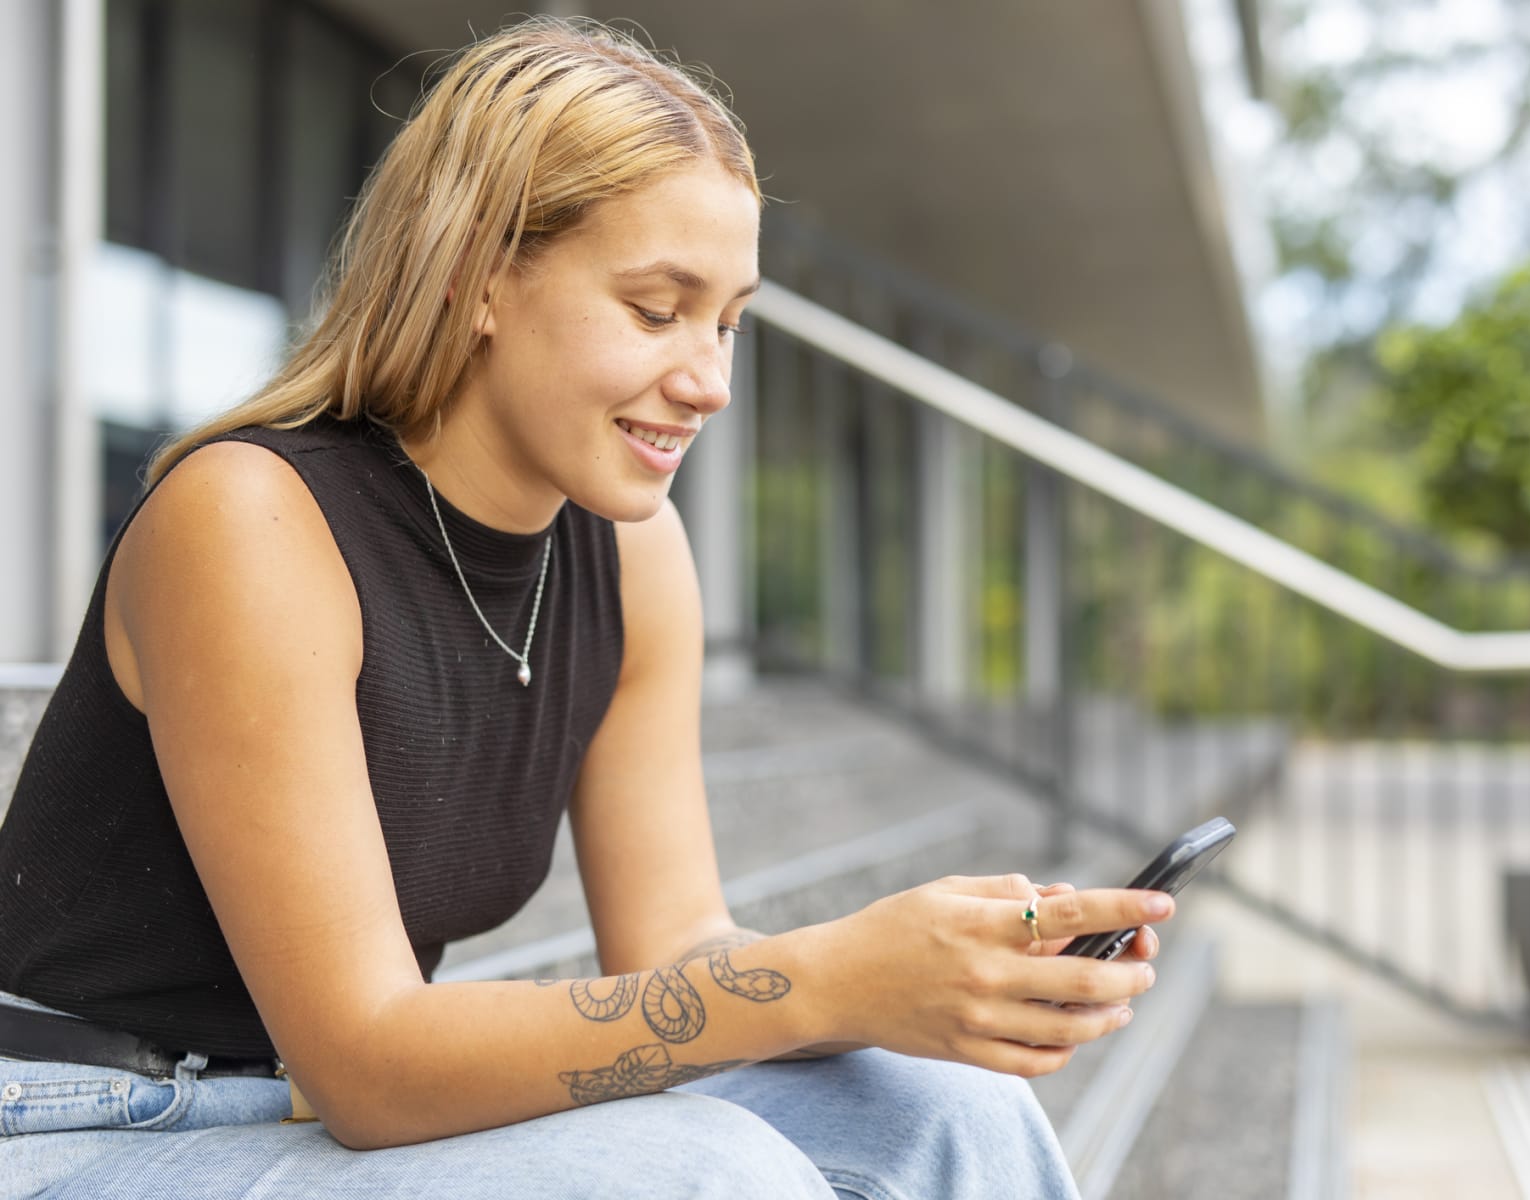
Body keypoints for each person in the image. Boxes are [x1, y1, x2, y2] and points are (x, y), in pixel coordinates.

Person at [0, 17, 1169, 1198]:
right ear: (478, 279)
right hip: (90, 1125)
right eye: (659, 311)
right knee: (700, 1173)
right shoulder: (250, 521)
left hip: (307, 1124)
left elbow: (673, 953)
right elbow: (366, 1064)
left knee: (949, 1113)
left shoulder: (629, 553)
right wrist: (828, 980)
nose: (709, 379)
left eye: (729, 321)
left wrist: (915, 970)